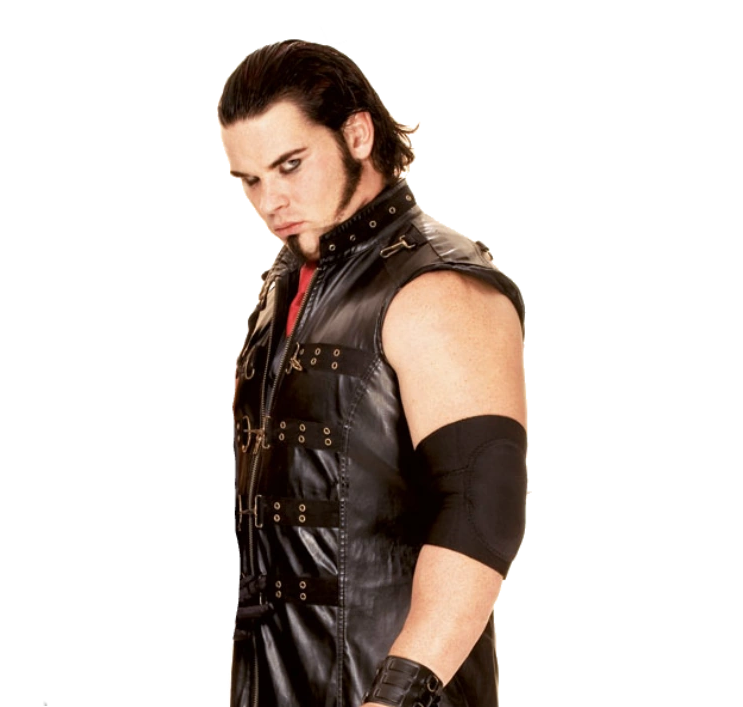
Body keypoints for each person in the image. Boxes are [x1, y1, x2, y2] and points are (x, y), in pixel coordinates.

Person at [222, 39, 528, 707]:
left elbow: (482, 512)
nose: (271, 200)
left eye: (290, 165)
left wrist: (395, 699)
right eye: (250, 181)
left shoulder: (436, 288)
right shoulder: (288, 286)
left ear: (357, 135)